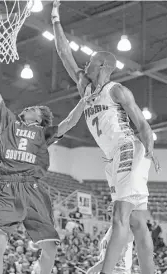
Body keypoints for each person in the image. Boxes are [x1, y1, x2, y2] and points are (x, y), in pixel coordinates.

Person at [51, 1, 161, 273]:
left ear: (101, 65)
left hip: (127, 149)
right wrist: (55, 19)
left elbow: (143, 125)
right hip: (112, 157)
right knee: (137, 222)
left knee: (120, 217)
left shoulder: (118, 91)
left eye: (89, 63)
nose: (84, 66)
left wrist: (148, 151)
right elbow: (65, 53)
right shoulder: (86, 89)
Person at [0, 47, 89, 274]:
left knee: (50, 248)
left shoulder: (44, 134)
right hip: (7, 188)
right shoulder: (9, 122)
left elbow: (69, 122)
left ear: (40, 119)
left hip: (32, 190)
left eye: (33, 109)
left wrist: (84, 100)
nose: (27, 108)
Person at [86, 203, 134, 274]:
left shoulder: (125, 230)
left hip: (119, 271)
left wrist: (93, 269)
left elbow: (118, 256)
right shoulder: (112, 229)